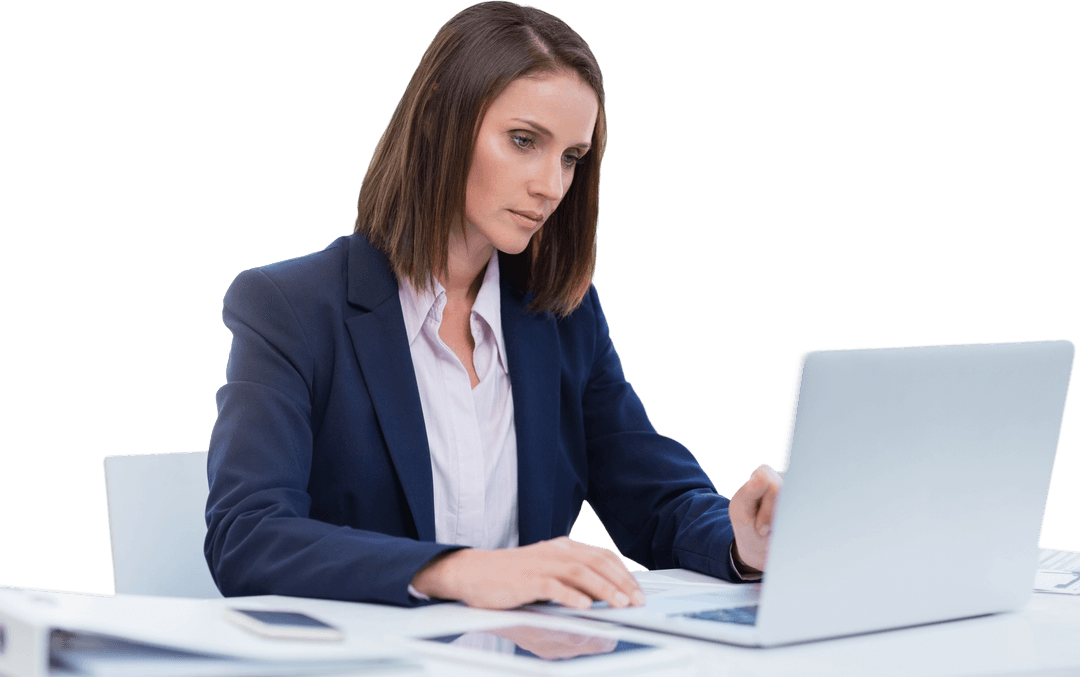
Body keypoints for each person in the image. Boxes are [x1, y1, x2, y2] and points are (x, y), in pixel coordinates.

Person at [204, 1, 782, 611]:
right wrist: (456, 572)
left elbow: (655, 497)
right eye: (524, 140)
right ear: (437, 123)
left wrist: (745, 542)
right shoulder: (292, 309)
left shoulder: (562, 318)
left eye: (571, 158)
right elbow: (248, 535)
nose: (552, 186)